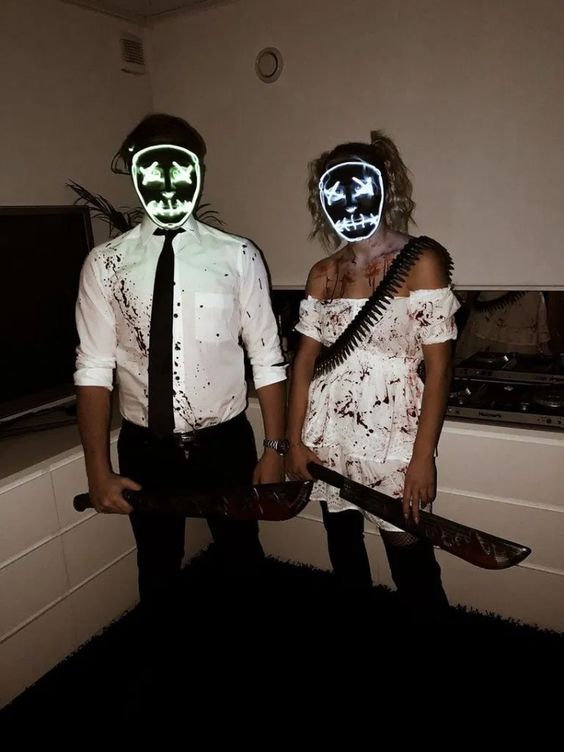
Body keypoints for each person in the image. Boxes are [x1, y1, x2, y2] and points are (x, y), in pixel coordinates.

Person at [74, 113, 288, 619]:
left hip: (226, 445)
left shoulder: (238, 256)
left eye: (182, 172)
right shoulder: (105, 265)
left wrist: (275, 448)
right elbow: (93, 369)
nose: (169, 187)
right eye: (154, 173)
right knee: (158, 569)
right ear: (134, 174)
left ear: (199, 173)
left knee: (243, 560)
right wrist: (97, 469)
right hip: (145, 449)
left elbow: (266, 358)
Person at [286, 133, 460, 625]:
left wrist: (422, 459)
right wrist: (295, 443)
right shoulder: (323, 273)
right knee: (343, 552)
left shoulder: (420, 261)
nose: (348, 205)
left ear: (386, 187)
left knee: (412, 563)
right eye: (334, 195)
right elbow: (304, 364)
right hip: (329, 432)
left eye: (359, 189)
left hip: (394, 436)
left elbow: (440, 368)